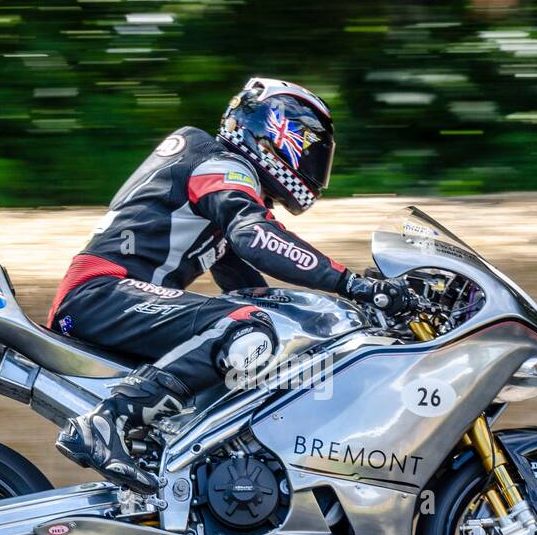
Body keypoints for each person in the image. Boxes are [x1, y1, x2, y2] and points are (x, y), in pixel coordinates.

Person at [48, 76, 414, 492]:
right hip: (101, 293)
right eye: (312, 151)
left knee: (260, 334)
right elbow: (255, 238)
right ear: (278, 133)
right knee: (247, 327)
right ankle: (106, 421)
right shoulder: (221, 163)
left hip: (109, 298)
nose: (316, 167)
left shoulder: (212, 170)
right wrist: (352, 284)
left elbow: (247, 283)